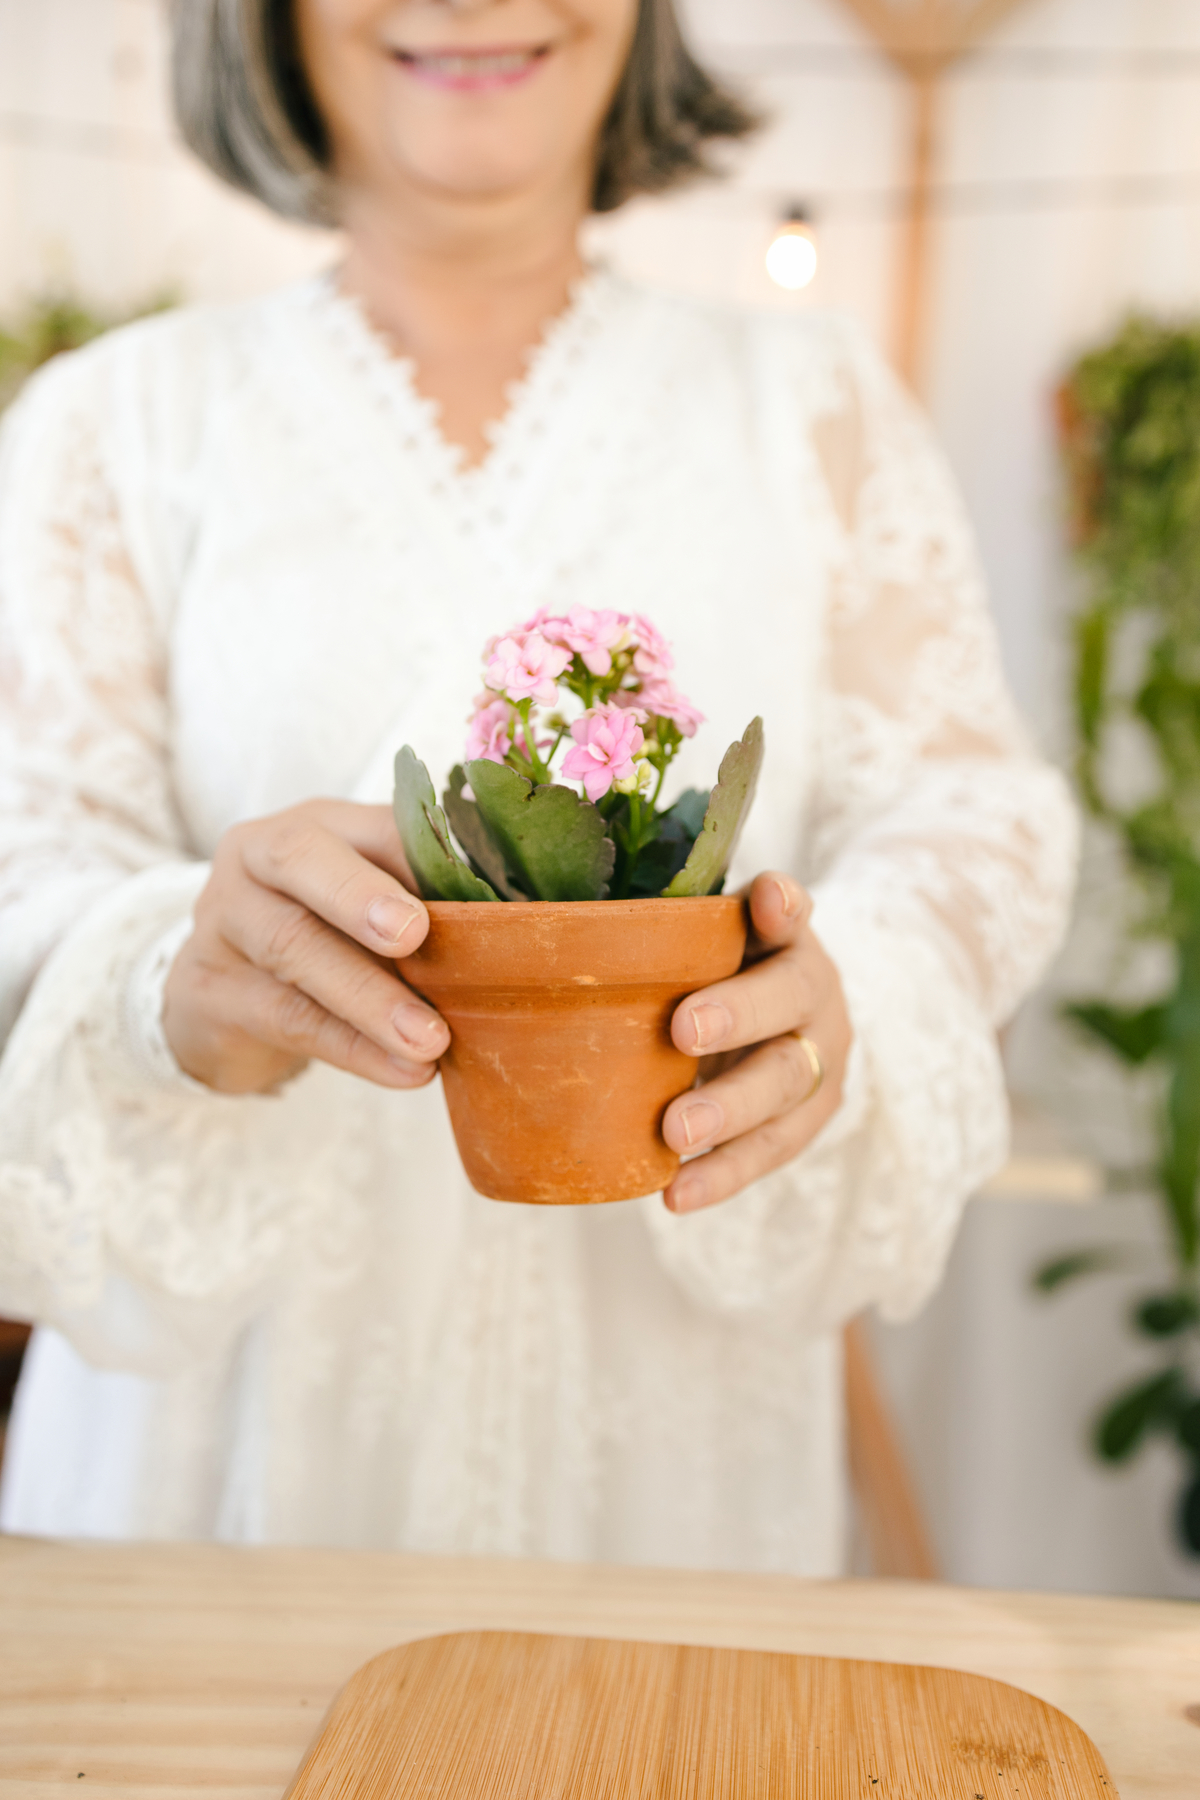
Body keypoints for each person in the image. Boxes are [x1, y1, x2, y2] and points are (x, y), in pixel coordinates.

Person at [0, 0, 1075, 1570]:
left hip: (676, 1482)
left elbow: (970, 812)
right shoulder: (114, 424)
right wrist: (177, 983)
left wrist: (858, 994)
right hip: (210, 1486)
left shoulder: (814, 407)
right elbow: (27, 866)